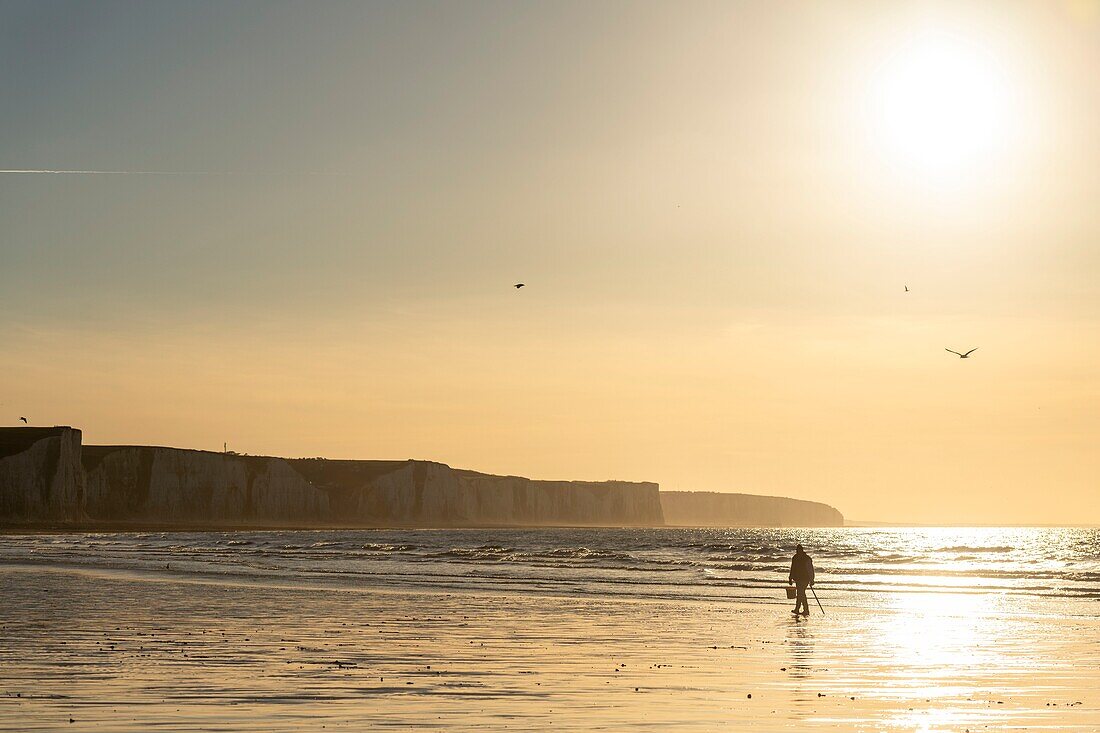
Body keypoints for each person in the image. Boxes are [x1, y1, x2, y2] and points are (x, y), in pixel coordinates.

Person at [788, 544, 815, 616]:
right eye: (797, 550)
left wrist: (812, 579)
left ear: (802, 550)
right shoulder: (795, 557)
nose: (797, 552)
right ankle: (799, 609)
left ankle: (805, 610)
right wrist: (790, 578)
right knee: (800, 593)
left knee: (801, 593)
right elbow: (792, 568)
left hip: (805, 579)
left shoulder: (807, 558)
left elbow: (810, 570)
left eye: (798, 550)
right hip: (798, 579)